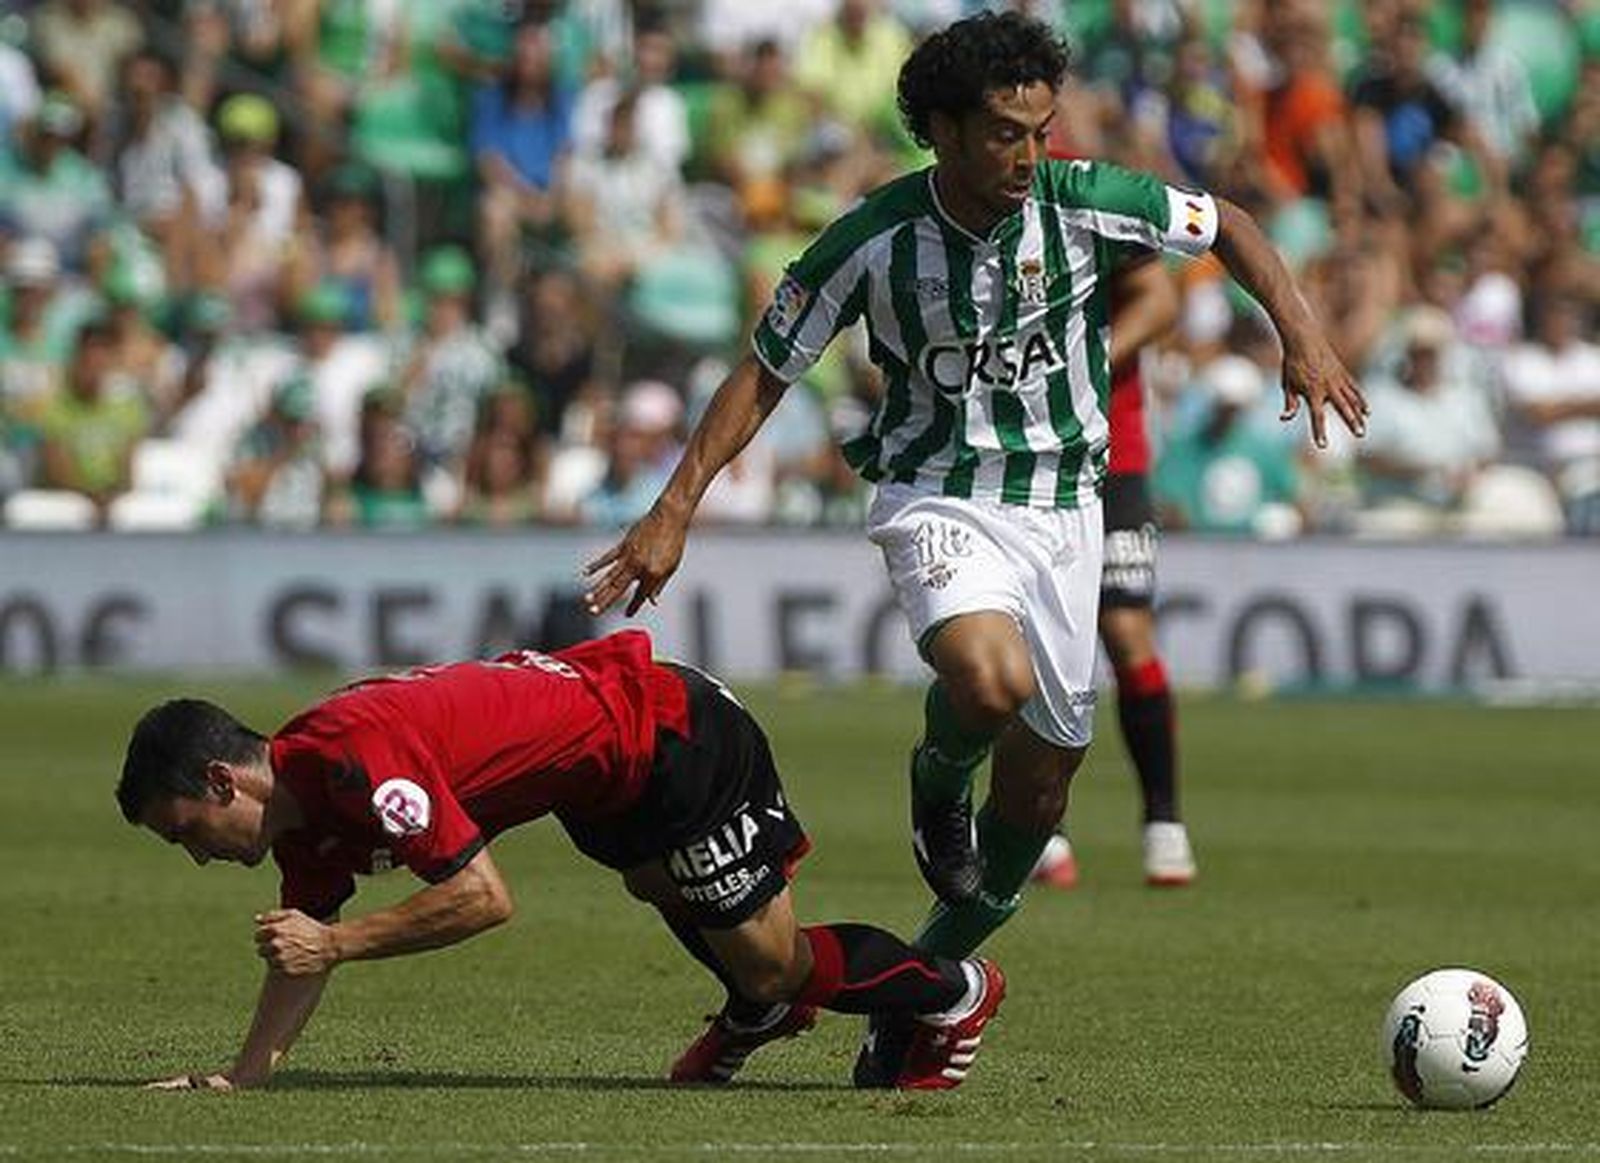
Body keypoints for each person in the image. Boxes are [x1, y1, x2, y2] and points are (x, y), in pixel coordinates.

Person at [582, 11, 1366, 1084]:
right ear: (942, 131)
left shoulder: (1083, 200)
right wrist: (674, 505)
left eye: (1041, 131)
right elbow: (766, 368)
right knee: (984, 683)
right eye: (1006, 133)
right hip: (937, 497)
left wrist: (1303, 332)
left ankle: (915, 988)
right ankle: (935, 781)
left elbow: (1225, 219)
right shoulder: (870, 239)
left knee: (1041, 797)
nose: (1030, 155)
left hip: (1065, 509)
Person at [116, 630, 1005, 1092]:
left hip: (669, 734)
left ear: (221, 779)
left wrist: (339, 944)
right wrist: (245, 1074)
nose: (195, 856)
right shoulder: (305, 822)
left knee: (777, 962)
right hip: (597, 783)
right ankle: (756, 1015)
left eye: (184, 829)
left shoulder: (349, 758)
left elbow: (480, 898)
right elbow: (299, 946)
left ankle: (954, 992)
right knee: (661, 883)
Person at [1032, 255, 1198, 891]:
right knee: (1028, 641)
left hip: (1112, 456)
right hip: (1023, 461)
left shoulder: (1089, 201)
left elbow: (1159, 300)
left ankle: (1165, 821)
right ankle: (1042, 828)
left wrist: (1081, 361)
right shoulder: (982, 208)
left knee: (1127, 634)